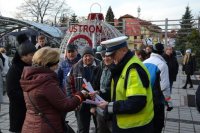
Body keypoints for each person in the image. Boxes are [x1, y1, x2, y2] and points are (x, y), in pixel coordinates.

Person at [20, 47, 88, 133]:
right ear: (50, 64)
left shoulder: (30, 77)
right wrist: (81, 95)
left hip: (30, 124)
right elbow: (66, 105)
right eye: (56, 63)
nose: (57, 66)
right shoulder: (46, 82)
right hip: (46, 127)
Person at [98, 36, 154, 133]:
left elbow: (137, 102)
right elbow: (118, 90)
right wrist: (99, 93)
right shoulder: (123, 66)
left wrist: (110, 106)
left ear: (124, 50)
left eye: (113, 54)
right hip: (126, 124)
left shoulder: (133, 69)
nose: (110, 57)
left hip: (135, 127)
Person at [66, 46, 102, 133]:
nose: (88, 58)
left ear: (93, 56)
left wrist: (100, 93)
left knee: (101, 128)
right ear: (82, 57)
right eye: (85, 56)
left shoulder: (101, 65)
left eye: (90, 55)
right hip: (81, 102)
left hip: (98, 101)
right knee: (82, 129)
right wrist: (73, 100)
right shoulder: (75, 67)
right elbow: (69, 85)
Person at [6, 34, 37, 133]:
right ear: (23, 56)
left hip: (31, 111)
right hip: (19, 111)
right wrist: (30, 97)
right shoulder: (14, 69)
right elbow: (11, 92)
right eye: (31, 55)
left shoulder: (32, 67)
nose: (34, 58)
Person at [144, 43, 173, 133]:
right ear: (162, 51)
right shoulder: (162, 65)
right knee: (157, 125)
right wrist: (169, 103)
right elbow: (164, 87)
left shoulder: (144, 62)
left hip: (144, 99)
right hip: (156, 101)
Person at [96, 50, 113, 133]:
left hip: (111, 105)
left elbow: (113, 89)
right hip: (100, 106)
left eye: (108, 56)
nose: (106, 58)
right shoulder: (103, 69)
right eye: (104, 56)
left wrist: (100, 91)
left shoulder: (116, 70)